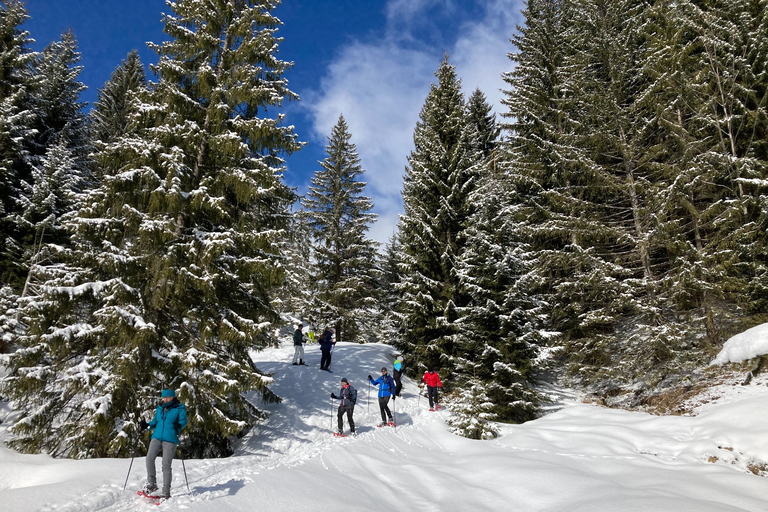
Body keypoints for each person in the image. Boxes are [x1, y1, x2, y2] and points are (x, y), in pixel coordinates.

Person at [139, 389, 188, 498]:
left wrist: (179, 426)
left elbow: (183, 421)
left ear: (173, 397)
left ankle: (166, 491)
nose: (165, 399)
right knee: (149, 458)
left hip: (170, 439)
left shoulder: (179, 408)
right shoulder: (160, 407)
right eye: (164, 397)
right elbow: (155, 422)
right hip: (156, 437)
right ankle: (151, 484)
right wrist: (146, 426)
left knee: (166, 465)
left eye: (168, 397)